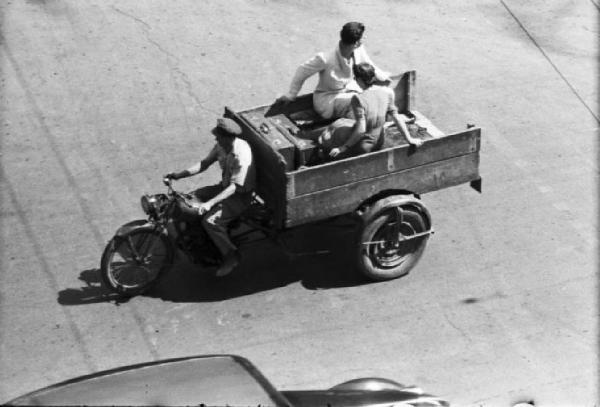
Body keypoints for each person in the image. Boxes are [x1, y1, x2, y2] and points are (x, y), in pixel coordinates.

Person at [165, 118, 256, 277]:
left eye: (218, 136)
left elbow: (235, 187)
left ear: (228, 137)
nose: (215, 138)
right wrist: (178, 175)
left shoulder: (242, 155)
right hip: (224, 187)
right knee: (190, 198)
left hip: (240, 195)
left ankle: (231, 255)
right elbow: (205, 163)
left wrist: (209, 204)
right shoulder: (222, 146)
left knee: (211, 222)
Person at [276, 22, 391, 119]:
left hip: (349, 91)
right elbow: (302, 71)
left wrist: (384, 79)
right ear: (356, 43)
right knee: (364, 101)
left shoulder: (358, 50)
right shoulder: (325, 58)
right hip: (327, 101)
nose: (363, 40)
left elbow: (369, 65)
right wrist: (291, 95)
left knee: (386, 92)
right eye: (362, 38)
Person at [318, 62, 423, 161]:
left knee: (328, 135)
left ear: (359, 80)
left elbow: (361, 130)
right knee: (340, 124)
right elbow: (397, 118)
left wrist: (343, 148)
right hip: (379, 141)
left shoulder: (358, 99)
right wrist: (410, 139)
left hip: (363, 146)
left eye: (355, 78)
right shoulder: (386, 93)